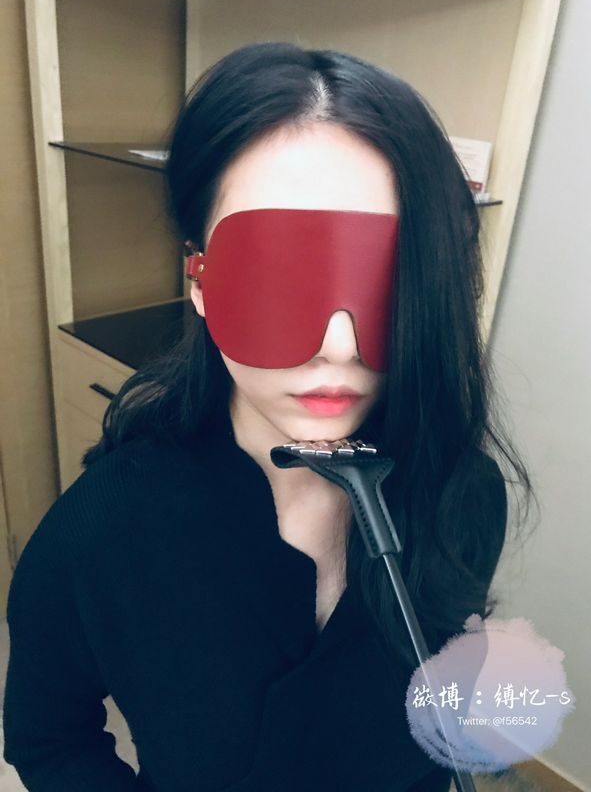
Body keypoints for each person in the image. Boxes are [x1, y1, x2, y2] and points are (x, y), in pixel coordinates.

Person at [3, 42, 531, 791]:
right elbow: (49, 738)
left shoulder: (463, 494)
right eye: (281, 275)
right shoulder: (102, 532)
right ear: (200, 279)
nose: (339, 347)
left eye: (383, 281)